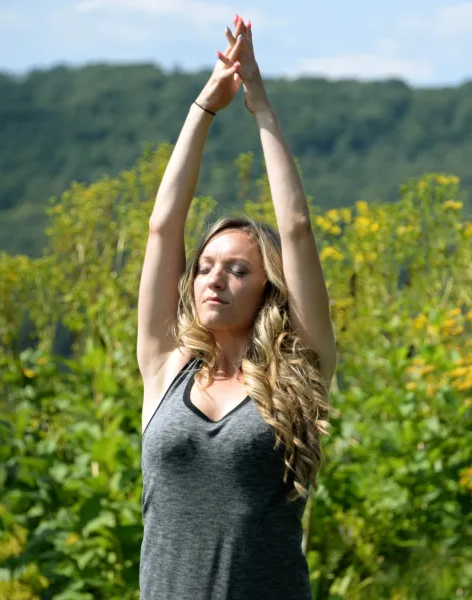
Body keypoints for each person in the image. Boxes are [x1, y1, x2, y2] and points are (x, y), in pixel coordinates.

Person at [137, 15, 336, 600]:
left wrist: (260, 106)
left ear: (266, 289)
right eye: (204, 267)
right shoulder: (165, 367)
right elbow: (161, 227)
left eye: (237, 269)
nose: (213, 279)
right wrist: (204, 108)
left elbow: (296, 229)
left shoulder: (296, 372)